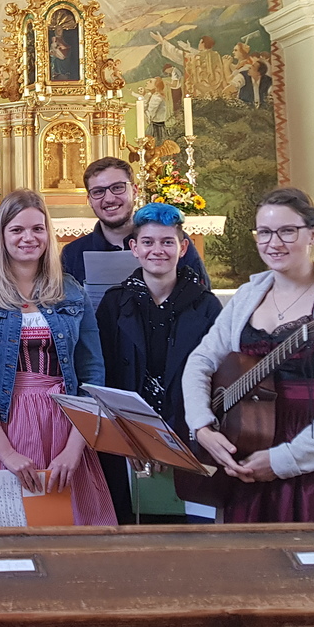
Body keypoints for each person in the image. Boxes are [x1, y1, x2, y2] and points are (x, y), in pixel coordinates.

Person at [182, 187, 314, 523]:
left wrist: (284, 460)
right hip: (249, 443)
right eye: (264, 232)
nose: (274, 243)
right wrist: (202, 426)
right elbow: (200, 361)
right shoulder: (246, 297)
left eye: (287, 231)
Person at [0, 189, 117, 526]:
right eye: (17, 229)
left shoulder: (71, 291)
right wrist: (7, 453)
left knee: (69, 530)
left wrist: (74, 449)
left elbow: (92, 373)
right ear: (1, 235)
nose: (28, 238)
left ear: (48, 233)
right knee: (8, 530)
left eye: (37, 229)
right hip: (2, 427)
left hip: (64, 425)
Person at [95, 203, 222, 524]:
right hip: (127, 439)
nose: (158, 250)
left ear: (183, 247)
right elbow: (104, 376)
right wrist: (131, 438)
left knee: (186, 533)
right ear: (134, 248)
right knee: (130, 527)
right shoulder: (114, 303)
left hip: (187, 436)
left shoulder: (207, 306)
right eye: (148, 242)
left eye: (167, 242)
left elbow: (217, 378)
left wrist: (172, 441)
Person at [61, 157, 205, 287]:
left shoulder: (172, 242)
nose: (109, 199)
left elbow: (201, 297)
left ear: (135, 191)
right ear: (90, 200)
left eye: (118, 187)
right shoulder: (73, 254)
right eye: (98, 191)